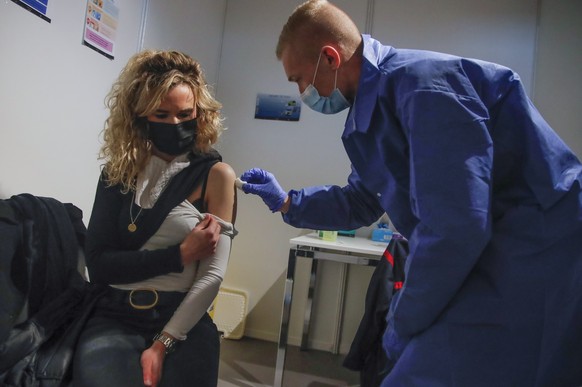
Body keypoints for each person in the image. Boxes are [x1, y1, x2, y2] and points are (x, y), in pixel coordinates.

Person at [239, 0, 582, 386]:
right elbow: (362, 200)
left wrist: (403, 320)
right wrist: (288, 201)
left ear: (330, 58)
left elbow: (456, 226)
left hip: (541, 250)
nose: (303, 92)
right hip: (493, 251)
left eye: (299, 79)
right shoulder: (372, 110)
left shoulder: (423, 87)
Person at [73, 50, 237, 387]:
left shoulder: (216, 175)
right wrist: (180, 255)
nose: (175, 124)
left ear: (200, 113)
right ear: (140, 116)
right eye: (161, 114)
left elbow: (211, 278)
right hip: (113, 315)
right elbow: (100, 266)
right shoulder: (117, 174)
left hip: (182, 321)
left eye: (185, 113)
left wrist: (163, 343)